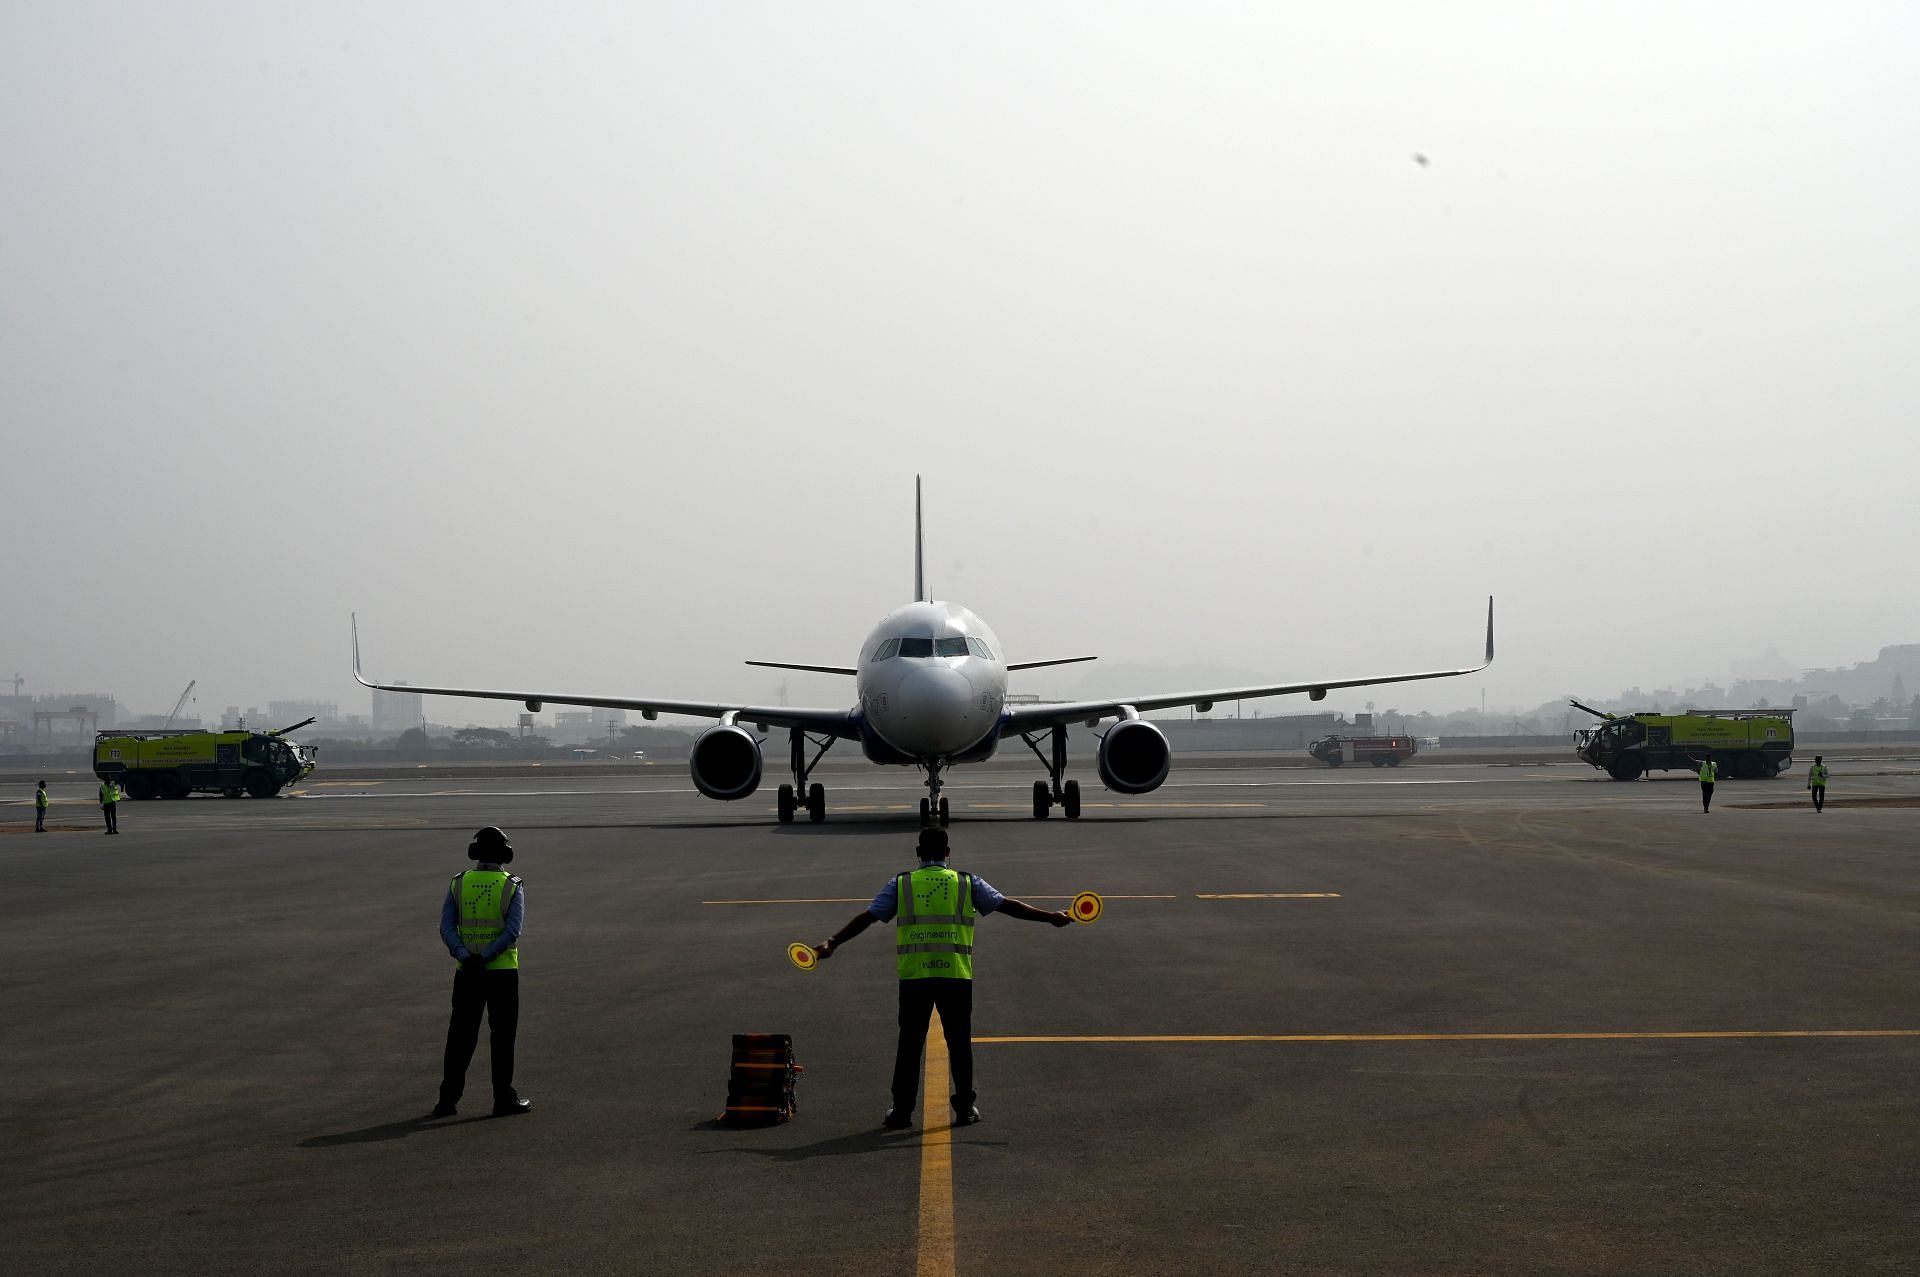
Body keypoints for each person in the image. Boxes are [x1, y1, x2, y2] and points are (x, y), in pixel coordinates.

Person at [814, 827, 1071, 1129]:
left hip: (915, 977)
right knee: (959, 1043)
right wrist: (1050, 917)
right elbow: (1006, 905)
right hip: (955, 976)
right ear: (948, 852)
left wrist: (832, 941)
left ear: (918, 853)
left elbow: (868, 917)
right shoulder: (966, 882)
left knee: (909, 1044)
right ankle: (964, 1107)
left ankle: (901, 1112)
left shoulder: (902, 884)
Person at [431, 826, 531, 1118]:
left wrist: (466, 955)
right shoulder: (512, 885)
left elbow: (446, 927)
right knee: (502, 1037)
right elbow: (513, 931)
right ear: (505, 855)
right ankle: (503, 1097)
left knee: (460, 1035)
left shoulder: (459, 883)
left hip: (467, 973)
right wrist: (488, 956)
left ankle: (447, 1098)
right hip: (501, 972)